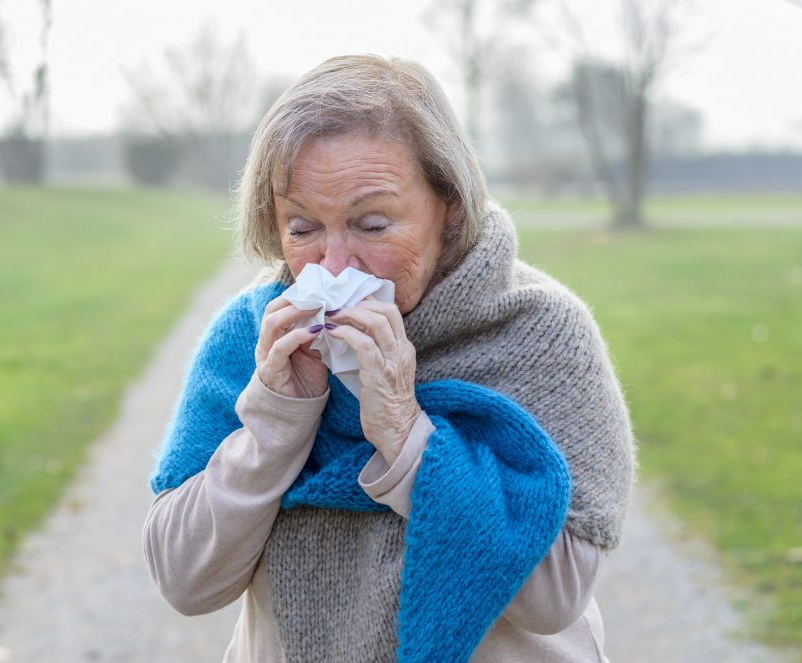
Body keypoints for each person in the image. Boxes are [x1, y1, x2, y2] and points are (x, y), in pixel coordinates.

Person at [144, 54, 635, 662]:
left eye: (372, 225)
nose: (335, 266)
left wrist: (406, 435)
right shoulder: (251, 338)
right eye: (303, 228)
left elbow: (555, 597)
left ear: (449, 205)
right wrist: (275, 423)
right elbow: (184, 580)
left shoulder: (539, 333)